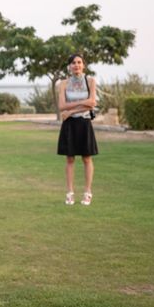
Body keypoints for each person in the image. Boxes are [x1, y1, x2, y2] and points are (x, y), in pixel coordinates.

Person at [57, 53, 98, 206]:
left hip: (85, 122)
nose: (76, 65)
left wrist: (72, 110)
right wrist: (83, 103)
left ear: (83, 65)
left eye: (79, 62)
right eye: (73, 63)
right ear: (69, 66)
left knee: (87, 158)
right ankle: (70, 193)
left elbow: (92, 102)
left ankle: (88, 193)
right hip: (69, 124)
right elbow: (61, 106)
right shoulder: (63, 83)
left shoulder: (90, 81)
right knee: (70, 159)